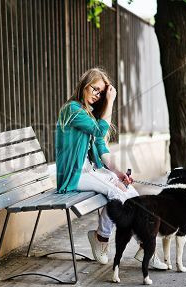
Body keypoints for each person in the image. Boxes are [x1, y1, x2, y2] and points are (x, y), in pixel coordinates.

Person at [55, 67, 167, 269]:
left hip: (90, 171)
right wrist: (111, 101)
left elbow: (101, 147)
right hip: (74, 174)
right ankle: (111, 240)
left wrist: (117, 172)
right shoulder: (72, 109)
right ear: (84, 85)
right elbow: (99, 130)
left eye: (101, 93)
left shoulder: (88, 114)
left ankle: (139, 244)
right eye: (95, 89)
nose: (97, 96)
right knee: (116, 191)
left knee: (129, 192)